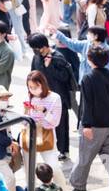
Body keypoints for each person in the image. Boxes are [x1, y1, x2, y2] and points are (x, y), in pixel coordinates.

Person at [70, 46, 109, 191]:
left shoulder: (88, 78)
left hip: (94, 125)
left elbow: (86, 103)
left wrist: (86, 125)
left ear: (89, 60)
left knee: (85, 156)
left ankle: (78, 185)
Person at [29, 33, 77, 162]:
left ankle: (63, 151)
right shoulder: (36, 57)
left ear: (44, 46)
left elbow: (64, 77)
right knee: (44, 123)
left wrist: (49, 66)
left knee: (61, 125)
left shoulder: (58, 58)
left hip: (59, 99)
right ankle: (48, 147)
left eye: (37, 48)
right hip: (42, 98)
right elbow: (33, 75)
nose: (36, 51)